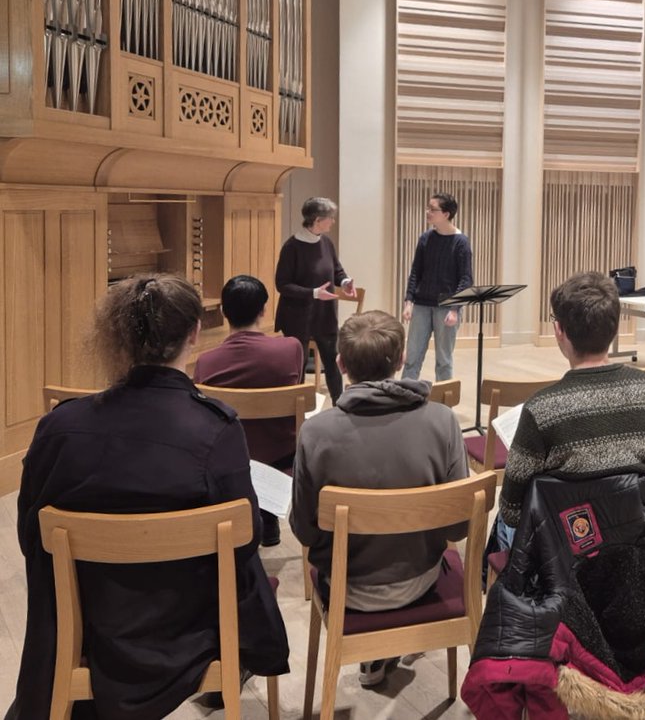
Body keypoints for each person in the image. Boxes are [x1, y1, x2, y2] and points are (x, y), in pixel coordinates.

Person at [9, 274, 289, 720]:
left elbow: (30, 536)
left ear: (115, 335)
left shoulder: (60, 427)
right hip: (187, 632)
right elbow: (247, 538)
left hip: (88, 627)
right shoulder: (216, 427)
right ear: (195, 334)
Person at [290, 309, 468, 689]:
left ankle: (373, 653)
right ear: (403, 359)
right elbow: (459, 526)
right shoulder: (443, 421)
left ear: (339, 363)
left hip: (347, 588)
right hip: (422, 577)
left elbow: (304, 531)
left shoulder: (316, 432)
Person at [496, 271, 645, 547]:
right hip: (640, 546)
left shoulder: (541, 409)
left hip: (566, 557)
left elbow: (512, 510)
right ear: (615, 328)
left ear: (559, 331)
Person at [195, 274, 306, 546]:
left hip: (230, 459)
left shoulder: (206, 363)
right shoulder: (291, 348)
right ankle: (268, 518)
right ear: (264, 310)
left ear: (223, 312)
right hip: (282, 456)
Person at [275, 196, 355, 403]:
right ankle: (297, 408)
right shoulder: (292, 247)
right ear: (318, 220)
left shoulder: (326, 242)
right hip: (297, 315)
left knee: (333, 361)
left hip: (324, 314)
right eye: (330, 218)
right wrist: (313, 293)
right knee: (298, 364)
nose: (333, 221)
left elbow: (336, 269)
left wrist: (345, 280)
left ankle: (340, 405)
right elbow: (282, 284)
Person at [401, 192, 474, 382]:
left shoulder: (461, 243)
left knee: (444, 360)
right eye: (428, 208)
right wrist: (409, 301)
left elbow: (466, 279)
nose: (428, 212)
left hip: (447, 308)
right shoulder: (426, 238)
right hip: (422, 305)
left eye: (432, 209)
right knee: (412, 357)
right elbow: (416, 271)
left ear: (446, 214)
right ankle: (404, 398)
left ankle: (444, 405)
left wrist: (455, 309)